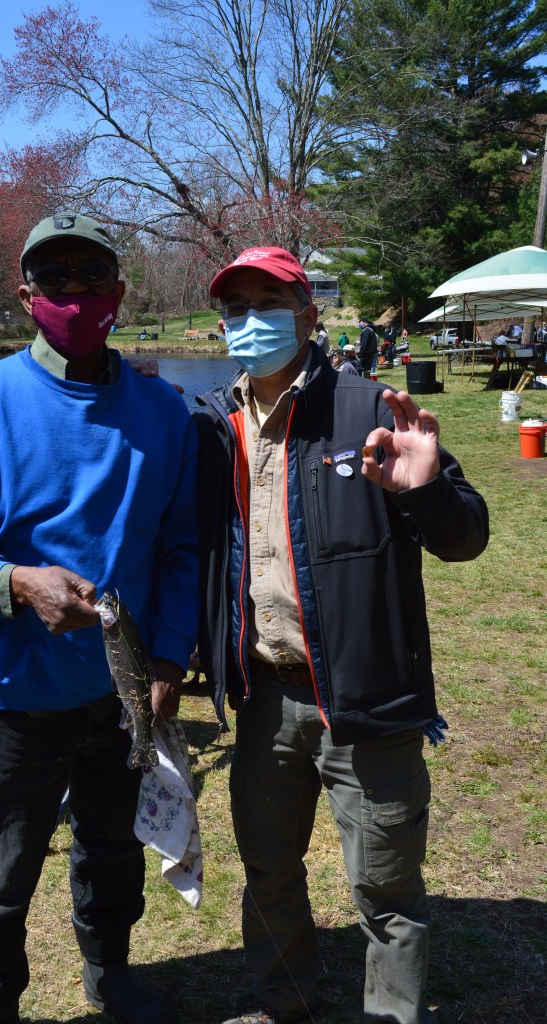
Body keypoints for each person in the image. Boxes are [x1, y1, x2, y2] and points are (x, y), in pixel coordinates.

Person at [0, 210, 199, 1024]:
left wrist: (168, 659)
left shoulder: (164, 412)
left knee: (113, 850)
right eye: (55, 277)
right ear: (25, 294)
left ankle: (112, 975)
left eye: (92, 275)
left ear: (119, 291)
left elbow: (181, 551)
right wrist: (16, 583)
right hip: (13, 694)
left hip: (119, 696)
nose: (75, 291)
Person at [193, 245, 489, 1024]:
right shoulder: (215, 426)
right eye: (235, 308)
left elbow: (466, 537)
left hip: (367, 699)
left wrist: (425, 492)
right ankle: (281, 1000)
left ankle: (390, 1014)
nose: (250, 321)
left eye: (268, 304)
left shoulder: (369, 410)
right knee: (267, 872)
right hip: (263, 697)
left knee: (385, 889)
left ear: (307, 315)